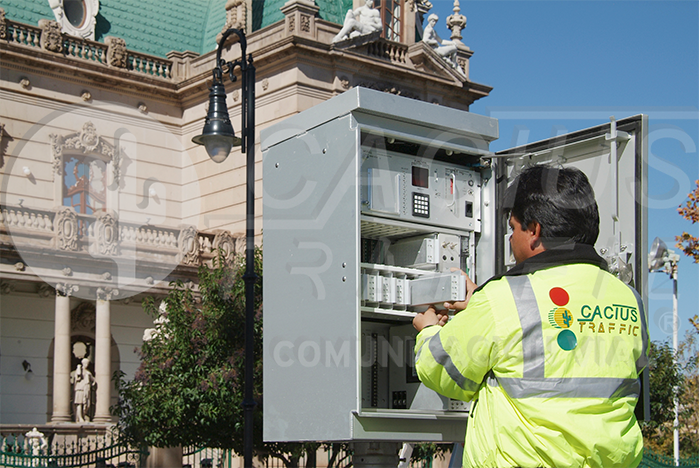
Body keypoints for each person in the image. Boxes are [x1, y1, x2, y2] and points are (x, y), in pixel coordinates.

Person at [413, 165, 648, 468]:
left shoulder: (504, 297)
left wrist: (428, 330)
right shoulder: (629, 298)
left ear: (534, 231)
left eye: (513, 228)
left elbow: (446, 370)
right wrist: (480, 306)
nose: (510, 239)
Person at [71, 358, 96, 423]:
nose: (86, 365)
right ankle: (79, 417)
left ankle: (84, 415)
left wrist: (92, 383)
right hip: (79, 389)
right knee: (79, 403)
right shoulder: (79, 370)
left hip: (86, 389)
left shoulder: (88, 372)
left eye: (87, 364)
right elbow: (78, 378)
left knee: (86, 404)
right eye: (85, 363)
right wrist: (79, 368)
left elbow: (93, 380)